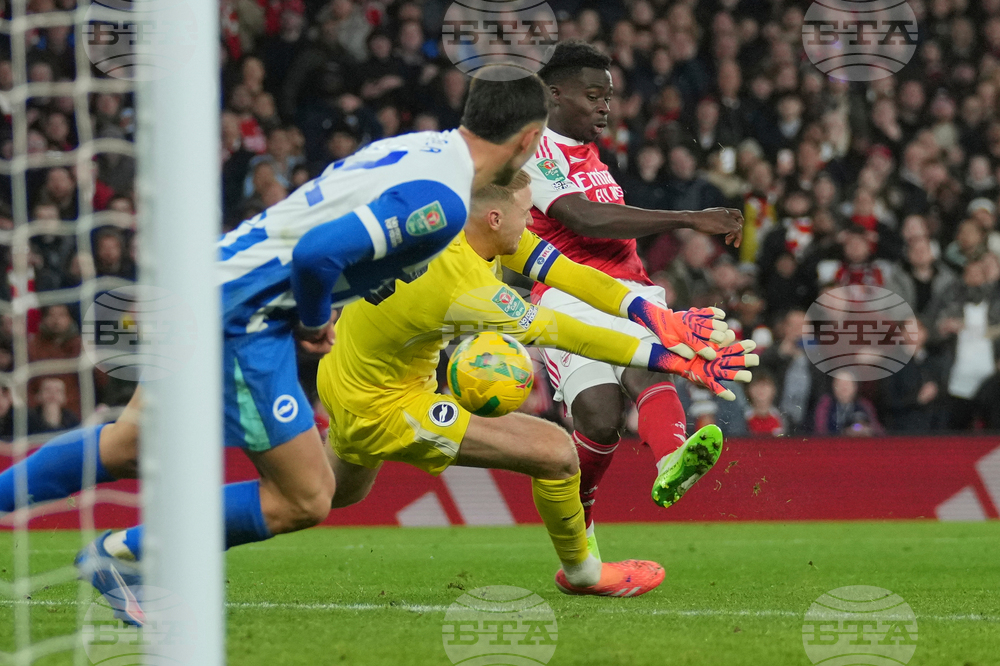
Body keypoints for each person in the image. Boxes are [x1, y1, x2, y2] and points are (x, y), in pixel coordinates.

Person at [0, 68, 553, 626]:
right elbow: (317, 253)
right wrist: (314, 322)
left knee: (127, 445)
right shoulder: (445, 201)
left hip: (208, 283)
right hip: (243, 315)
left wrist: (357, 283)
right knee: (306, 498)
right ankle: (121, 555)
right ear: (528, 138)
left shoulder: (417, 148)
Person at [316, 173, 756, 596]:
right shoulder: (465, 290)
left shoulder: (461, 226)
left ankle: (268, 499)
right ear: (494, 218)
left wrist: (654, 316)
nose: (532, 221)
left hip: (348, 373)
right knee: (557, 454)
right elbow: (568, 333)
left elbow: (572, 273)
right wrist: (672, 362)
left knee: (314, 498)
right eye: (526, 212)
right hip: (384, 405)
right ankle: (583, 573)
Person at [521, 41, 744, 559]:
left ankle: (671, 458)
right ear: (554, 94)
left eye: (609, 96)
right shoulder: (535, 151)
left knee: (647, 368)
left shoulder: (591, 153)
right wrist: (687, 217)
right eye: (593, 95)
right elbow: (584, 218)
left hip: (629, 291)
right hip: (567, 296)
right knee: (598, 418)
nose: (604, 106)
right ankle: (581, 523)